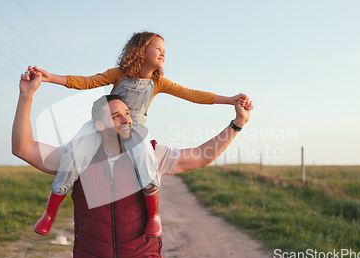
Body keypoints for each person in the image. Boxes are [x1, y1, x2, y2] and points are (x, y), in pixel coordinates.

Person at [12, 70, 253, 258]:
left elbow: (201, 156)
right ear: (98, 125)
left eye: (127, 113)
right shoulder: (76, 158)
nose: (127, 119)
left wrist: (237, 124)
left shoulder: (151, 152)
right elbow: (23, 148)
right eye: (116, 116)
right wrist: (27, 95)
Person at [27, 31, 250, 237]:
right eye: (157, 47)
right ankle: (49, 213)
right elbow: (86, 82)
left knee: (145, 156)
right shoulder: (118, 74)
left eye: (165, 49)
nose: (163, 52)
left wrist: (229, 100)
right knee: (76, 153)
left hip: (134, 127)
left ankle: (154, 216)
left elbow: (192, 94)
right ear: (140, 51)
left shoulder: (158, 82)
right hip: (104, 124)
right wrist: (49, 77)